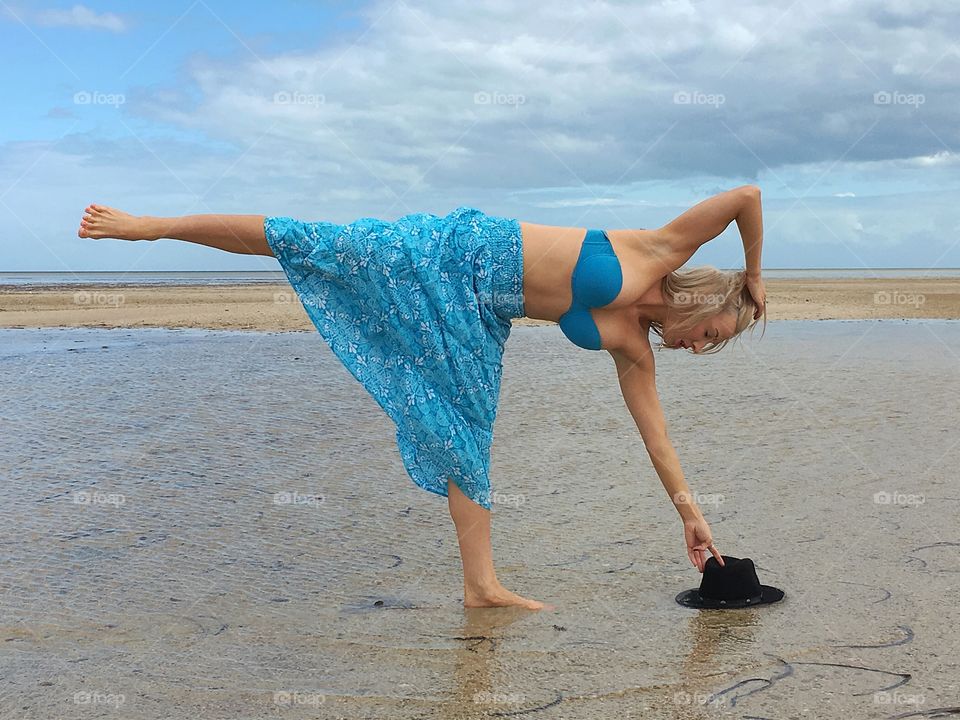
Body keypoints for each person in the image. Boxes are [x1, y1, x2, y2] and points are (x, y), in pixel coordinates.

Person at [77, 184, 766, 611]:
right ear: (706, 300)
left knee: (466, 435)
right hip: (456, 252)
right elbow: (746, 197)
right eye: (711, 332)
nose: (700, 347)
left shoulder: (633, 348)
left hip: (480, 314)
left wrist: (691, 517)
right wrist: (757, 276)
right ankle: (154, 226)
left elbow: (657, 438)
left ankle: (482, 587)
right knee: (318, 242)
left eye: (712, 345)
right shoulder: (657, 249)